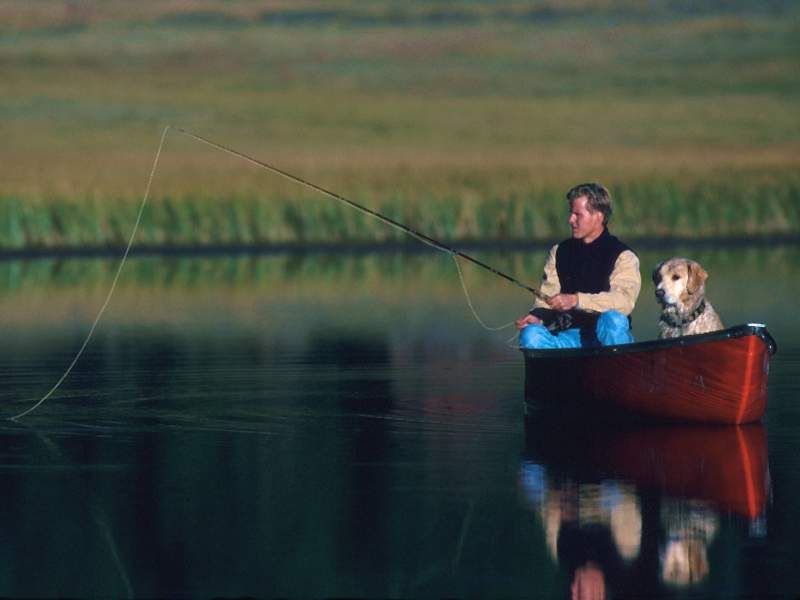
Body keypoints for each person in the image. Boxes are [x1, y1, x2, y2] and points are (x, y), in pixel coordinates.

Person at [516, 183, 640, 348]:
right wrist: (538, 317)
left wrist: (577, 300)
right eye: (570, 213)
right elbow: (547, 296)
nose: (570, 220)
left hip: (605, 334)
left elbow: (624, 301)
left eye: (577, 215)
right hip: (569, 337)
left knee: (614, 320)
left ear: (598, 216)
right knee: (531, 335)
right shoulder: (559, 251)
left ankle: (620, 366)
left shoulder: (623, 256)